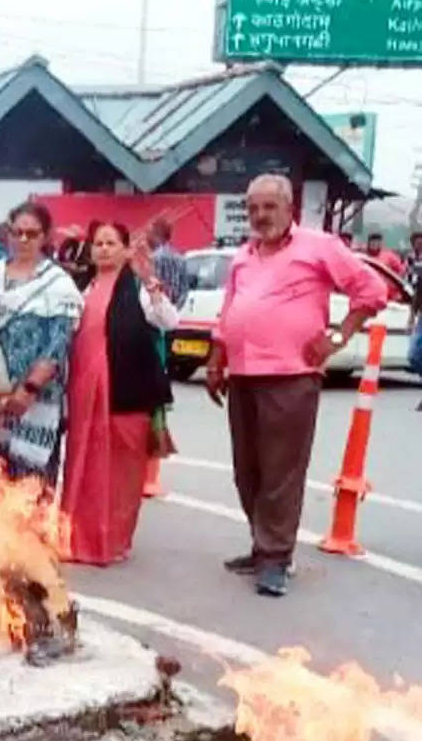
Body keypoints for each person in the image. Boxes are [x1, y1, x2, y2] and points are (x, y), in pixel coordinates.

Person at [205, 174, 385, 597]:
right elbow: (231, 310)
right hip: (243, 374)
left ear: (289, 209)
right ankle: (261, 544)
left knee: (281, 473)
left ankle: (275, 558)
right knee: (247, 470)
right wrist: (217, 359)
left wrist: (337, 337)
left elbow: (371, 292)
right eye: (253, 208)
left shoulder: (319, 246)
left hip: (291, 375)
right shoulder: (243, 257)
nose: (260, 215)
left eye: (269, 207)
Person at [61, 222, 178, 566]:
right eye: (98, 243)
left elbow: (168, 321)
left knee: (123, 471)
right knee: (82, 463)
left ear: (126, 249)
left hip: (126, 391)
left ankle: (112, 542)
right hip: (84, 389)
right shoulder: (81, 288)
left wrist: (153, 288)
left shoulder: (138, 289)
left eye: (112, 243)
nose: (104, 249)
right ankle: (77, 539)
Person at [0, 202, 84, 485]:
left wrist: (29, 389)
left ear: (45, 236)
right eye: (18, 233)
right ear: (8, 234)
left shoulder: (57, 283)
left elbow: (58, 343)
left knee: (30, 484)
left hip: (36, 396)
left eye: (32, 233)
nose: (24, 240)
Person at [148, 216, 190, 308]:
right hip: (173, 313)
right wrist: (174, 310)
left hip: (157, 312)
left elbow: (152, 287)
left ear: (157, 235)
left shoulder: (154, 259)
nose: (147, 238)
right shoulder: (180, 258)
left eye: (149, 233)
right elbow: (184, 290)